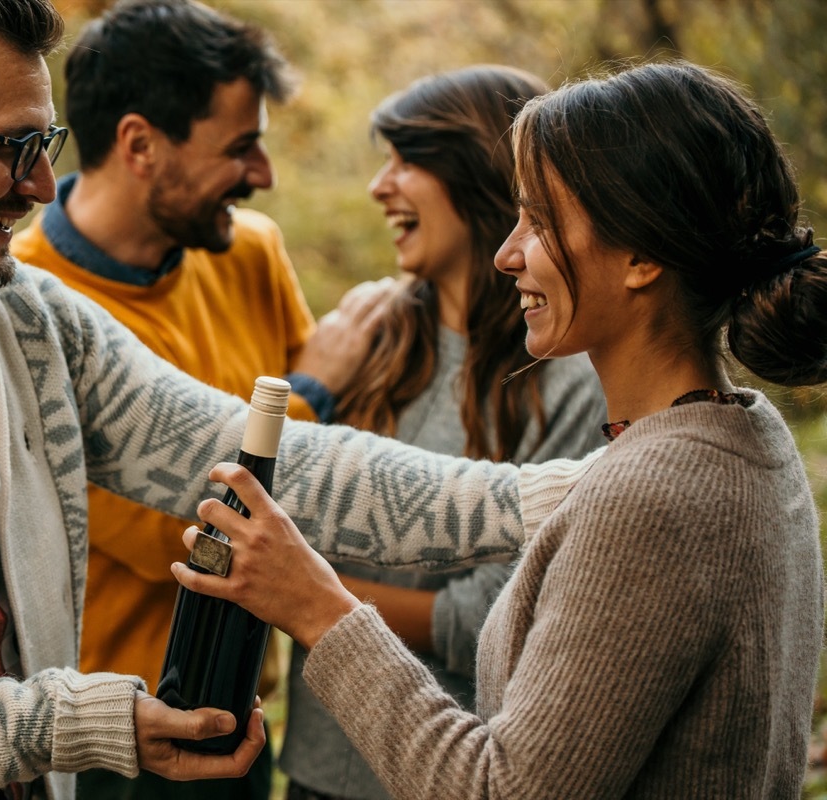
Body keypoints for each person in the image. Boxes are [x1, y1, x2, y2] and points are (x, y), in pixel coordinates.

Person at [0, 0, 566, 797]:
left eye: (49, 145)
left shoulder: (27, 321)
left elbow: (269, 470)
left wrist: (559, 498)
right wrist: (73, 720)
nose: (42, 185)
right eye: (15, 148)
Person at [175, 59, 826, 799]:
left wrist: (317, 605)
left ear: (642, 256)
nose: (506, 253)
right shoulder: (747, 435)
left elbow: (502, 791)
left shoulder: (654, 493)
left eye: (541, 223)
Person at [8, 1, 382, 795]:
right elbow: (178, 539)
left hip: (242, 728)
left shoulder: (251, 251)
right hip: (116, 745)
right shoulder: (26, 303)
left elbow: (301, 494)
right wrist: (314, 386)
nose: (264, 177)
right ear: (140, 144)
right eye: (240, 148)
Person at [279, 65, 606, 800]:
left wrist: (296, 589)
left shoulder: (569, 378)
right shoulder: (368, 334)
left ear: (476, 174)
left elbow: (488, 615)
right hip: (312, 762)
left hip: (444, 765)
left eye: (406, 160)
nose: (378, 185)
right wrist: (315, 387)